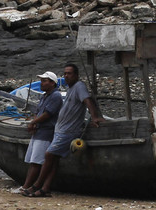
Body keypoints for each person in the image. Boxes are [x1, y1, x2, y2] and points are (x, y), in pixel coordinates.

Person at [22, 63, 105, 197]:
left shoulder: (79, 86)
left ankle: (36, 185)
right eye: (65, 73)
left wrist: (95, 117)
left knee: (49, 155)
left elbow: (87, 100)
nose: (66, 76)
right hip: (60, 130)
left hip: (68, 131)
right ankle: (45, 188)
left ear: (76, 75)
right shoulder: (70, 88)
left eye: (69, 73)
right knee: (54, 159)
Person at [18, 71, 64, 194]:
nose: (41, 83)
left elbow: (48, 114)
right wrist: (34, 123)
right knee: (33, 161)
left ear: (52, 83)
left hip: (46, 132)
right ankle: (26, 186)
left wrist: (33, 122)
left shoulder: (56, 96)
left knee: (37, 162)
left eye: (44, 81)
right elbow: (38, 112)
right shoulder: (45, 96)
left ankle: (27, 187)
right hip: (39, 131)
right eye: (41, 81)